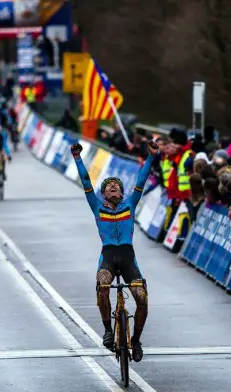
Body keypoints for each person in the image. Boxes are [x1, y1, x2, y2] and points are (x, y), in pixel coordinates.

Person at [70, 140, 160, 363]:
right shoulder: (96, 206)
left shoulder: (130, 204)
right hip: (108, 257)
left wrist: (151, 157)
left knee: (141, 299)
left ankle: (136, 341)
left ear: (121, 193)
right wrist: (77, 158)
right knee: (102, 286)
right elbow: (85, 181)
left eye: (116, 185)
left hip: (128, 258)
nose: (112, 186)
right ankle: (108, 330)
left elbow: (141, 179)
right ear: (103, 193)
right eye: (108, 185)